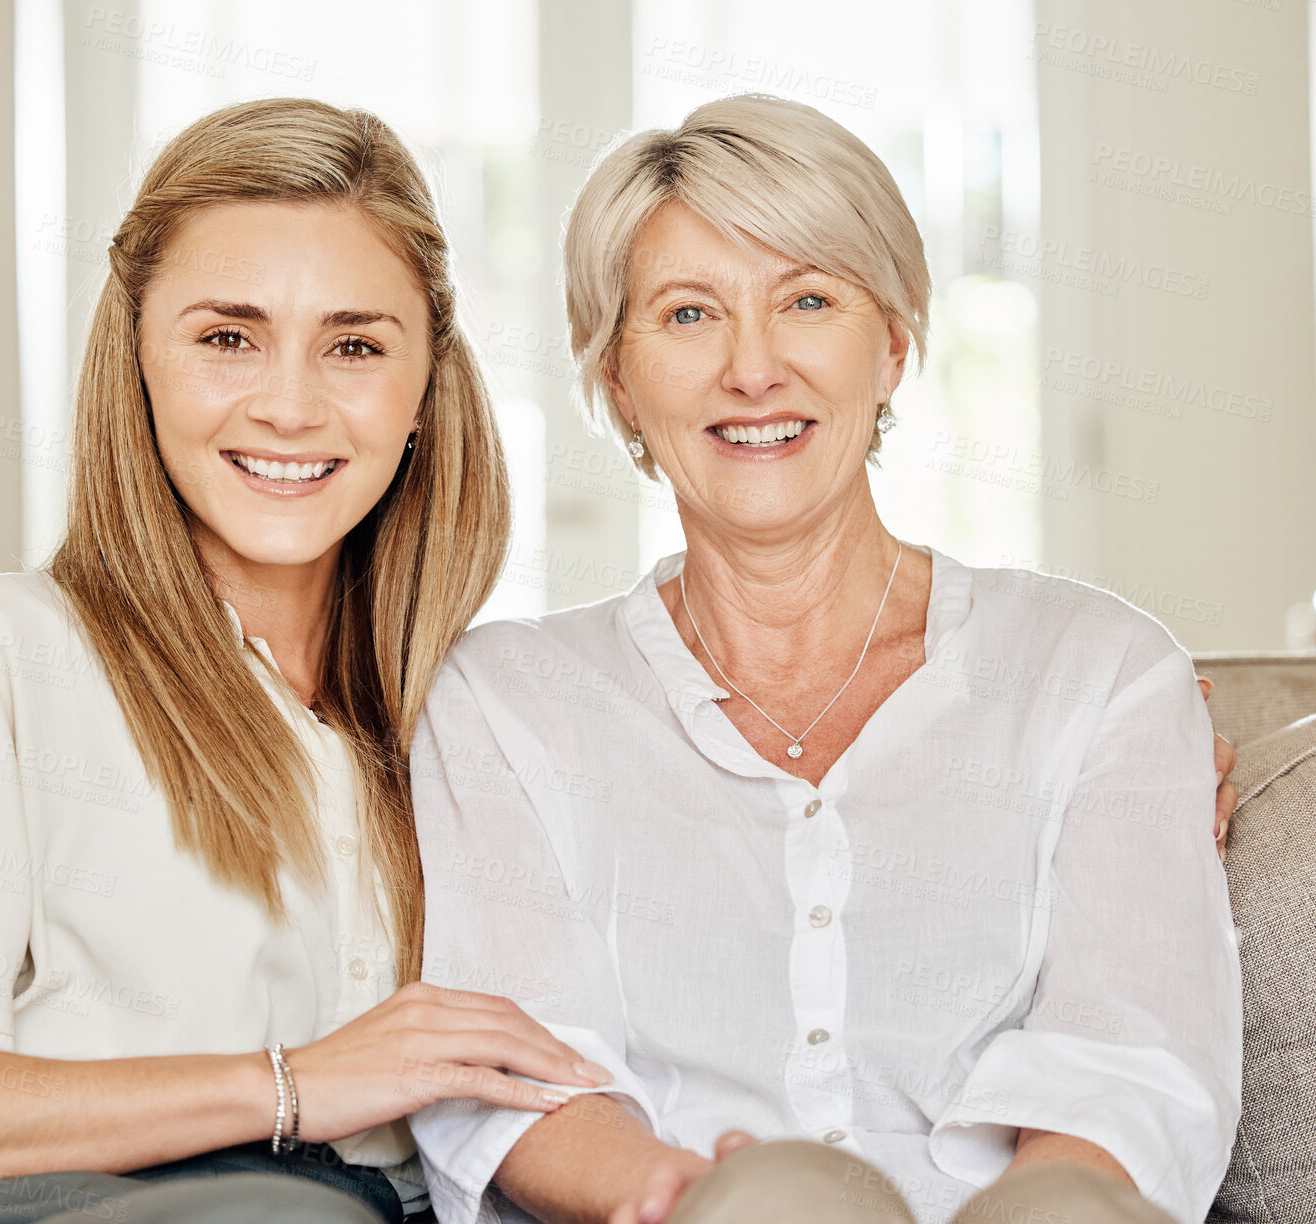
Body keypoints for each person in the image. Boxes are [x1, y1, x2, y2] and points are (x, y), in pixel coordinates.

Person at [0, 98, 608, 1224]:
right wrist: (294, 1083)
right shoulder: (21, 650)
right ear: (139, 358)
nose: (290, 406)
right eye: (226, 338)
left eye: (353, 345)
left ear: (424, 391)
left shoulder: (470, 714)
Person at [407, 94, 1242, 1224]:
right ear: (617, 380)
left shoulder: (1100, 672)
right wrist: (705, 1202)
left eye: (808, 299)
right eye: (690, 314)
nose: (754, 370)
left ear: (892, 346)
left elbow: (1135, 1052)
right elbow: (518, 1071)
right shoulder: (506, 702)